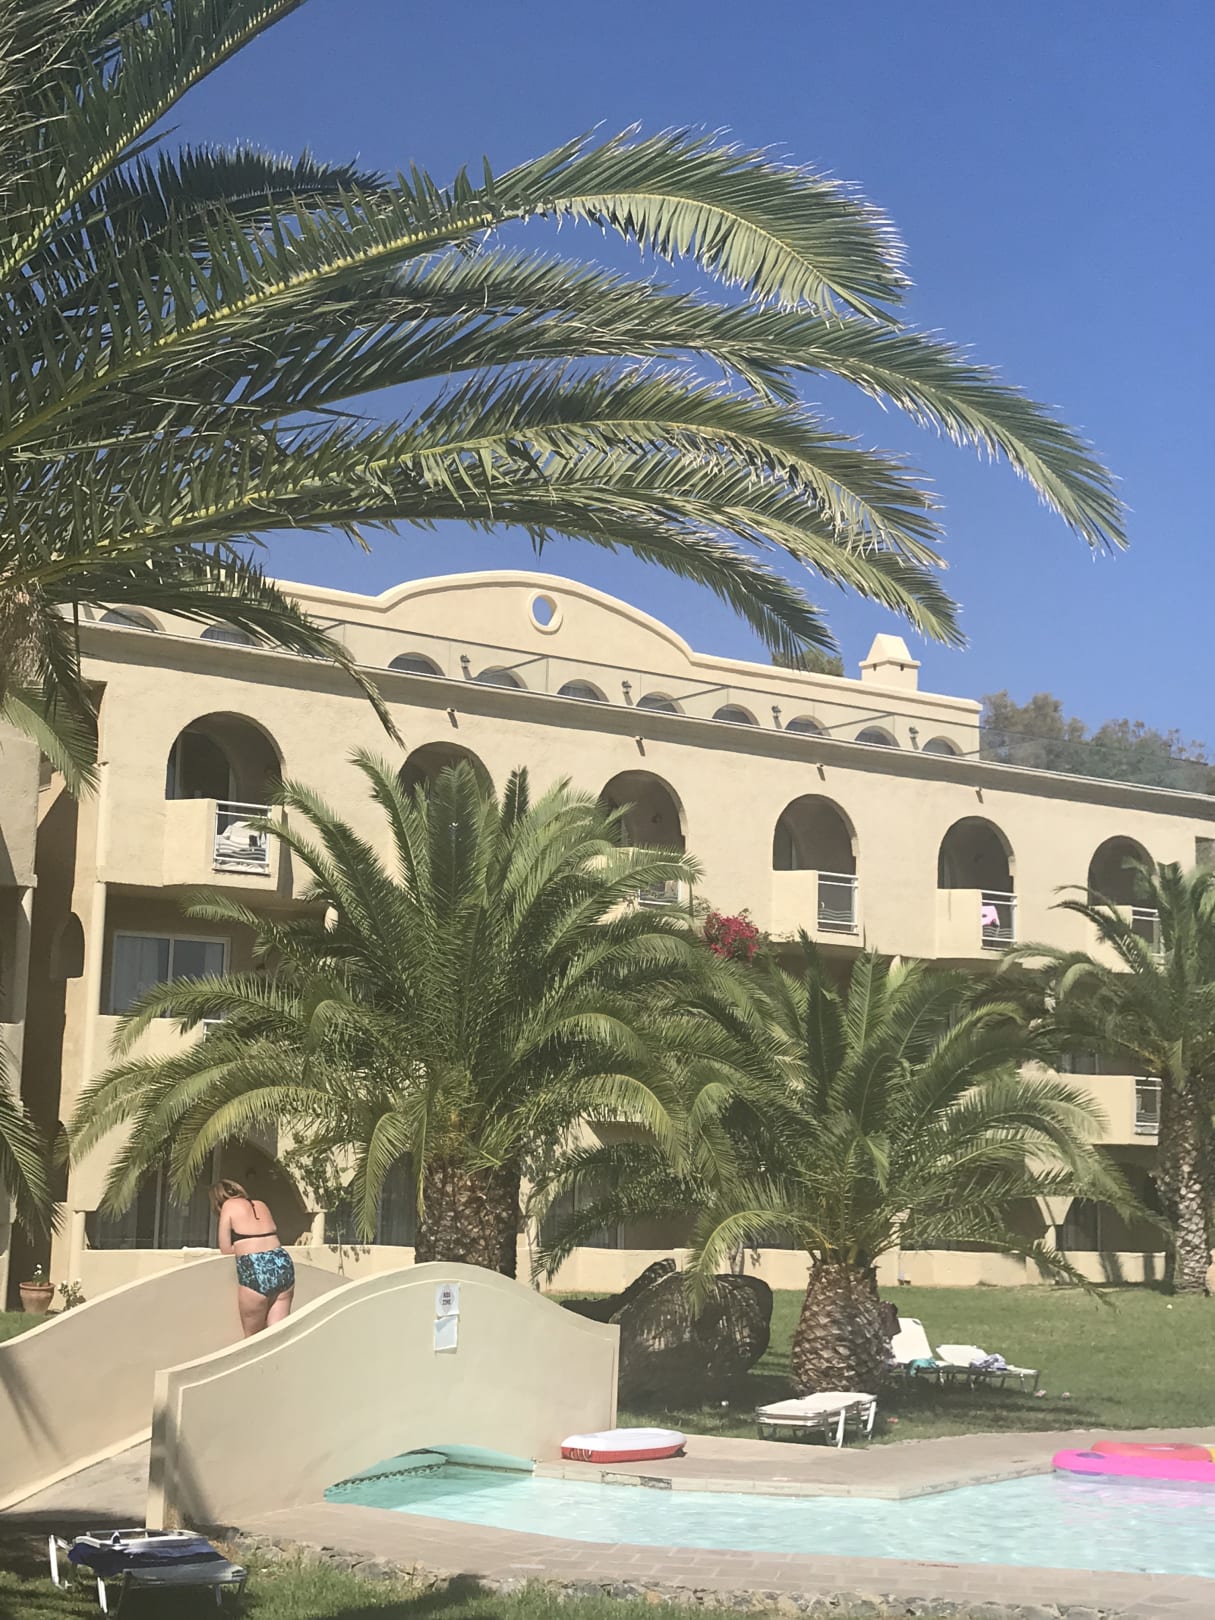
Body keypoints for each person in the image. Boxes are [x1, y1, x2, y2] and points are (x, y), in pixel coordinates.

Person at [210, 1179, 295, 1337]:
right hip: (281, 1261)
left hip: (255, 1265)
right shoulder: (261, 1204)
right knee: (278, 1335)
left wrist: (242, 1246)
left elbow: (225, 1248)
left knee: (253, 1339)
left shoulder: (228, 1206)